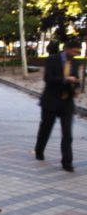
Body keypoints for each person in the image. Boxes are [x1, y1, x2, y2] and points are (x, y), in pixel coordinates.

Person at [35, 40, 81, 172]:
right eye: (74, 51)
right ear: (67, 49)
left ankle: (67, 162)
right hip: (51, 101)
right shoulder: (52, 59)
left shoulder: (75, 62)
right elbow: (48, 78)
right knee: (46, 128)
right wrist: (65, 80)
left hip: (67, 102)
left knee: (67, 133)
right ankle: (39, 150)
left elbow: (76, 79)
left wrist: (77, 87)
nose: (76, 54)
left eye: (78, 52)